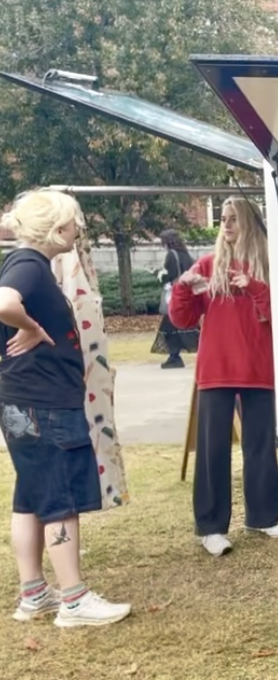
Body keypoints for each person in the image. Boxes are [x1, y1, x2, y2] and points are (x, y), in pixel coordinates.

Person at [0, 189, 131, 627]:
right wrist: (33, 327)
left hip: (26, 401)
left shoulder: (30, 266)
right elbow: (3, 304)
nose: (79, 230)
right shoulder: (30, 266)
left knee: (31, 495)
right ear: (58, 229)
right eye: (75, 223)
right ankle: (74, 600)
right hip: (44, 404)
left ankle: (34, 592)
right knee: (58, 497)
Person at [169, 196, 278, 557]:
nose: (225, 225)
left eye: (233, 219)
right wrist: (183, 286)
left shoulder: (270, 266)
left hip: (259, 370)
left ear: (250, 224)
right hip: (217, 370)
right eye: (223, 219)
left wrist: (254, 285)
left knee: (260, 447)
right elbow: (182, 320)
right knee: (212, 452)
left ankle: (262, 517)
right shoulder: (209, 266)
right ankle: (211, 527)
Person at [50, 216, 129, 513]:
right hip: (56, 390)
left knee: (39, 493)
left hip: (70, 384)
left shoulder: (44, 268)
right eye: (74, 228)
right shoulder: (32, 269)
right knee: (50, 490)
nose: (78, 236)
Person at [151, 229, 199, 369]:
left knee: (170, 326)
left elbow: (169, 274)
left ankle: (174, 356)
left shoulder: (171, 255)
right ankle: (175, 355)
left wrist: (159, 275)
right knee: (186, 326)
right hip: (185, 292)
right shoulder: (185, 254)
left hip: (175, 293)